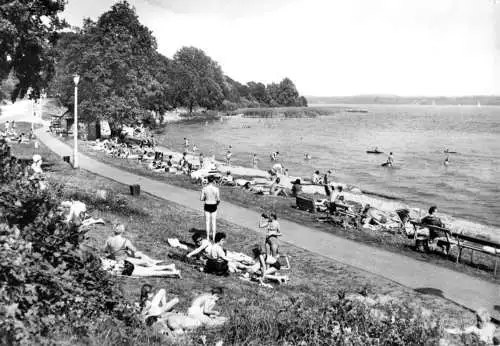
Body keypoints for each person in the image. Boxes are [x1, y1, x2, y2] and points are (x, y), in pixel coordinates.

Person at [201, 175, 220, 241]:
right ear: (214, 180)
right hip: (214, 205)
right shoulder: (216, 189)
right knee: (213, 222)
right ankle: (214, 237)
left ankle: (208, 237)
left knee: (207, 222)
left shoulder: (204, 188)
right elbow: (218, 199)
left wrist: (206, 197)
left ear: (208, 180)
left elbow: (201, 198)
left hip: (207, 204)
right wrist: (216, 204)